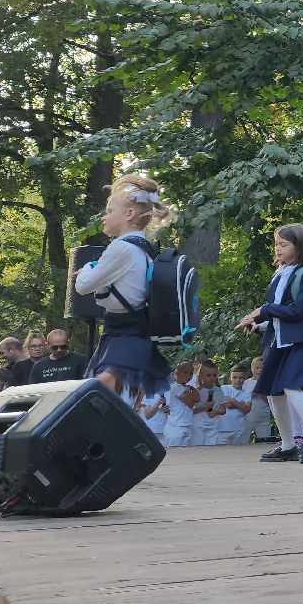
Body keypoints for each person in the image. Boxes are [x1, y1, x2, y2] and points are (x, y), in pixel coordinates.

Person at [240, 224, 303, 464]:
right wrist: (258, 324)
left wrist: (263, 310)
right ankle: (288, 443)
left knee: (292, 386)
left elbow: (297, 310)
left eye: (284, 245)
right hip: (279, 342)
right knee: (274, 392)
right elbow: (278, 315)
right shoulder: (279, 274)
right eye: (276, 244)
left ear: (298, 246)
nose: (278, 249)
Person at [73, 175, 174, 398]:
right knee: (115, 391)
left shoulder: (121, 248)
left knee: (101, 388)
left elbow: (83, 286)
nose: (104, 217)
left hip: (125, 331)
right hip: (130, 328)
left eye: (109, 211)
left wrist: (89, 266)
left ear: (129, 214)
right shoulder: (144, 247)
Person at [161, 359, 199, 448]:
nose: (188, 376)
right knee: (175, 455)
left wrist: (193, 389)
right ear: (176, 373)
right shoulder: (176, 387)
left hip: (187, 425)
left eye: (190, 373)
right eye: (185, 373)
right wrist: (192, 395)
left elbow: (197, 399)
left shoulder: (187, 388)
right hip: (176, 427)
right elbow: (191, 404)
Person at [215, 365, 253, 446]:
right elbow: (227, 405)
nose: (238, 380)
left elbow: (247, 409)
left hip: (239, 429)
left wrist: (232, 400)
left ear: (245, 378)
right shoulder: (224, 388)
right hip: (222, 428)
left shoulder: (247, 393)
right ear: (230, 378)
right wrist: (241, 404)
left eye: (241, 377)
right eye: (235, 377)